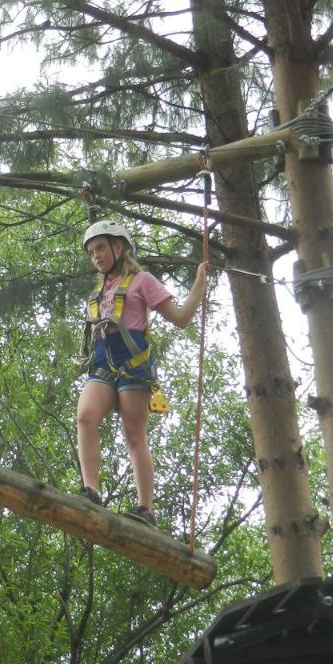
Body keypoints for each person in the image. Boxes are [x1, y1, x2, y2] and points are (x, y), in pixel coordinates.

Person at [76, 220, 208, 528]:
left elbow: (181, 318)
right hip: (103, 363)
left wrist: (199, 285)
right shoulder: (98, 292)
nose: (96, 256)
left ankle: (146, 509)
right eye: (91, 251)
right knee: (85, 417)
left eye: (101, 248)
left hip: (133, 365)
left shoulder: (142, 281)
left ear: (118, 248)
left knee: (134, 435)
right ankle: (91, 490)